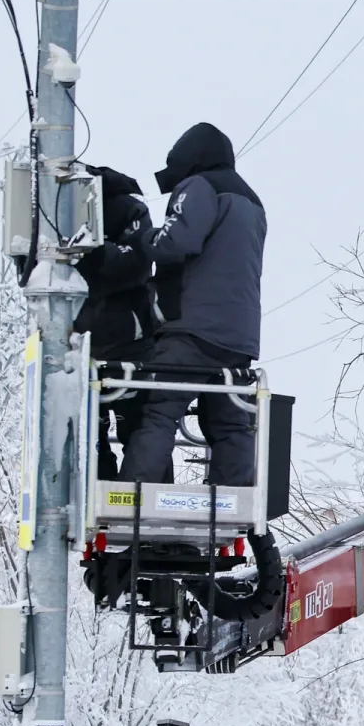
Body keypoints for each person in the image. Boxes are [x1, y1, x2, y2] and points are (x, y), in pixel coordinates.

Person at [118, 122, 266, 487]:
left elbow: (175, 242)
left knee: (158, 414)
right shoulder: (252, 201)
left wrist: (142, 237)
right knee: (231, 425)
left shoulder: (200, 186)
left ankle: (129, 508)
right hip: (238, 338)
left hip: (192, 330)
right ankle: (229, 509)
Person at [71, 166, 160, 479]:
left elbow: (135, 260)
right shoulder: (57, 211)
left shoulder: (127, 207)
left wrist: (90, 251)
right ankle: (99, 508)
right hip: (83, 346)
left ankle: (144, 508)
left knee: (139, 430)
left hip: (129, 344)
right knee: (88, 438)